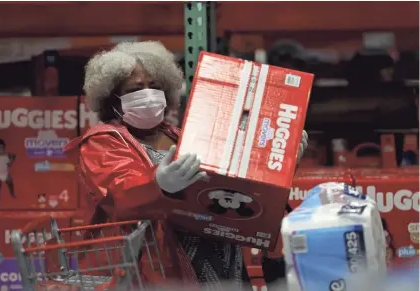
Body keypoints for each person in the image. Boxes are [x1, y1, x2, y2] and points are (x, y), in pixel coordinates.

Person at [64, 41, 308, 290]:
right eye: (135, 89)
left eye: (155, 86)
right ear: (111, 98)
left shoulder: (181, 135)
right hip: (160, 268)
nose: (148, 94)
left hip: (221, 257)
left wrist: (282, 162)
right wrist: (157, 183)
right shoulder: (103, 141)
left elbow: (237, 181)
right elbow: (118, 192)